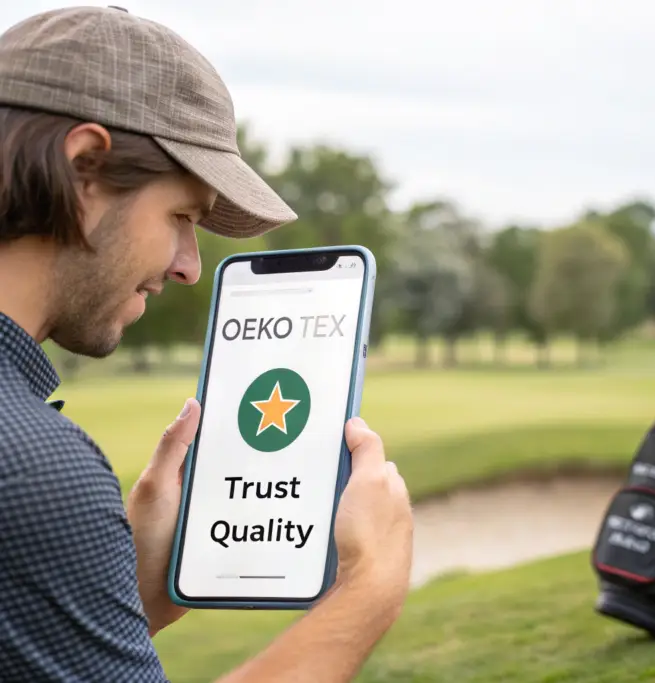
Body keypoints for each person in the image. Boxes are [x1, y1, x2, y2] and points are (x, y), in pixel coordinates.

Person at [0, 7, 413, 682]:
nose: (190, 266)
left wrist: (129, 590)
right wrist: (370, 588)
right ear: (84, 167)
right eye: (182, 215)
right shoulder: (33, 468)